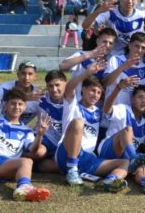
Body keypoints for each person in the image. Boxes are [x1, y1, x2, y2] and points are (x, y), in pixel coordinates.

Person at [56, 59, 133, 190]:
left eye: (99, 93)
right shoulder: (72, 106)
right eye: (92, 90)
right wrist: (87, 72)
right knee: (78, 123)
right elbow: (69, 88)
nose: (95, 95)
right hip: (67, 154)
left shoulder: (98, 112)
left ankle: (109, 182)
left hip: (88, 159)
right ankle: (72, 170)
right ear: (83, 90)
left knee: (125, 162)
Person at [100, 81, 145, 193]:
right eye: (140, 97)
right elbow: (106, 109)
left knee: (142, 165)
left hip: (125, 158)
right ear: (132, 99)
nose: (143, 101)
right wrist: (118, 88)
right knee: (128, 130)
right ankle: (134, 158)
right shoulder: (123, 109)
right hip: (109, 150)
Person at [81, 0, 145, 56]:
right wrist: (98, 11)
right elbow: (85, 26)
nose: (129, 1)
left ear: (137, 0)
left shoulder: (142, 16)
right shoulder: (110, 12)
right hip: (110, 56)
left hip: (131, 56)